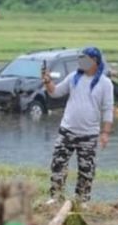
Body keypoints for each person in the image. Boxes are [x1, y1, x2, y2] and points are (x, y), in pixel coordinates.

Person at [42, 47, 114, 204]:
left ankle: (82, 200)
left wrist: (105, 133)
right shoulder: (73, 77)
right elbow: (55, 92)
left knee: (86, 170)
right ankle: (56, 196)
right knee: (58, 165)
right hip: (67, 131)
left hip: (89, 134)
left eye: (85, 58)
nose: (81, 62)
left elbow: (108, 109)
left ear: (95, 61)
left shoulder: (105, 83)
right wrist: (48, 82)